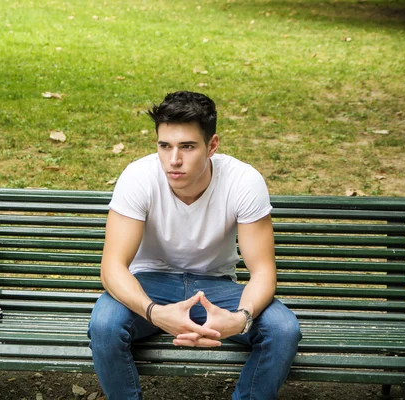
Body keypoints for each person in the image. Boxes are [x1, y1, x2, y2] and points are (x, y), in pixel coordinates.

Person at [87, 91, 302, 400]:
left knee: (283, 330)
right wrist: (155, 313)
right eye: (165, 146)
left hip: (215, 288)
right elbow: (111, 269)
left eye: (187, 147)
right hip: (150, 285)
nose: (174, 160)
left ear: (212, 145)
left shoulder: (243, 181)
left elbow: (264, 271)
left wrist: (241, 318)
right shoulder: (138, 177)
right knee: (105, 325)